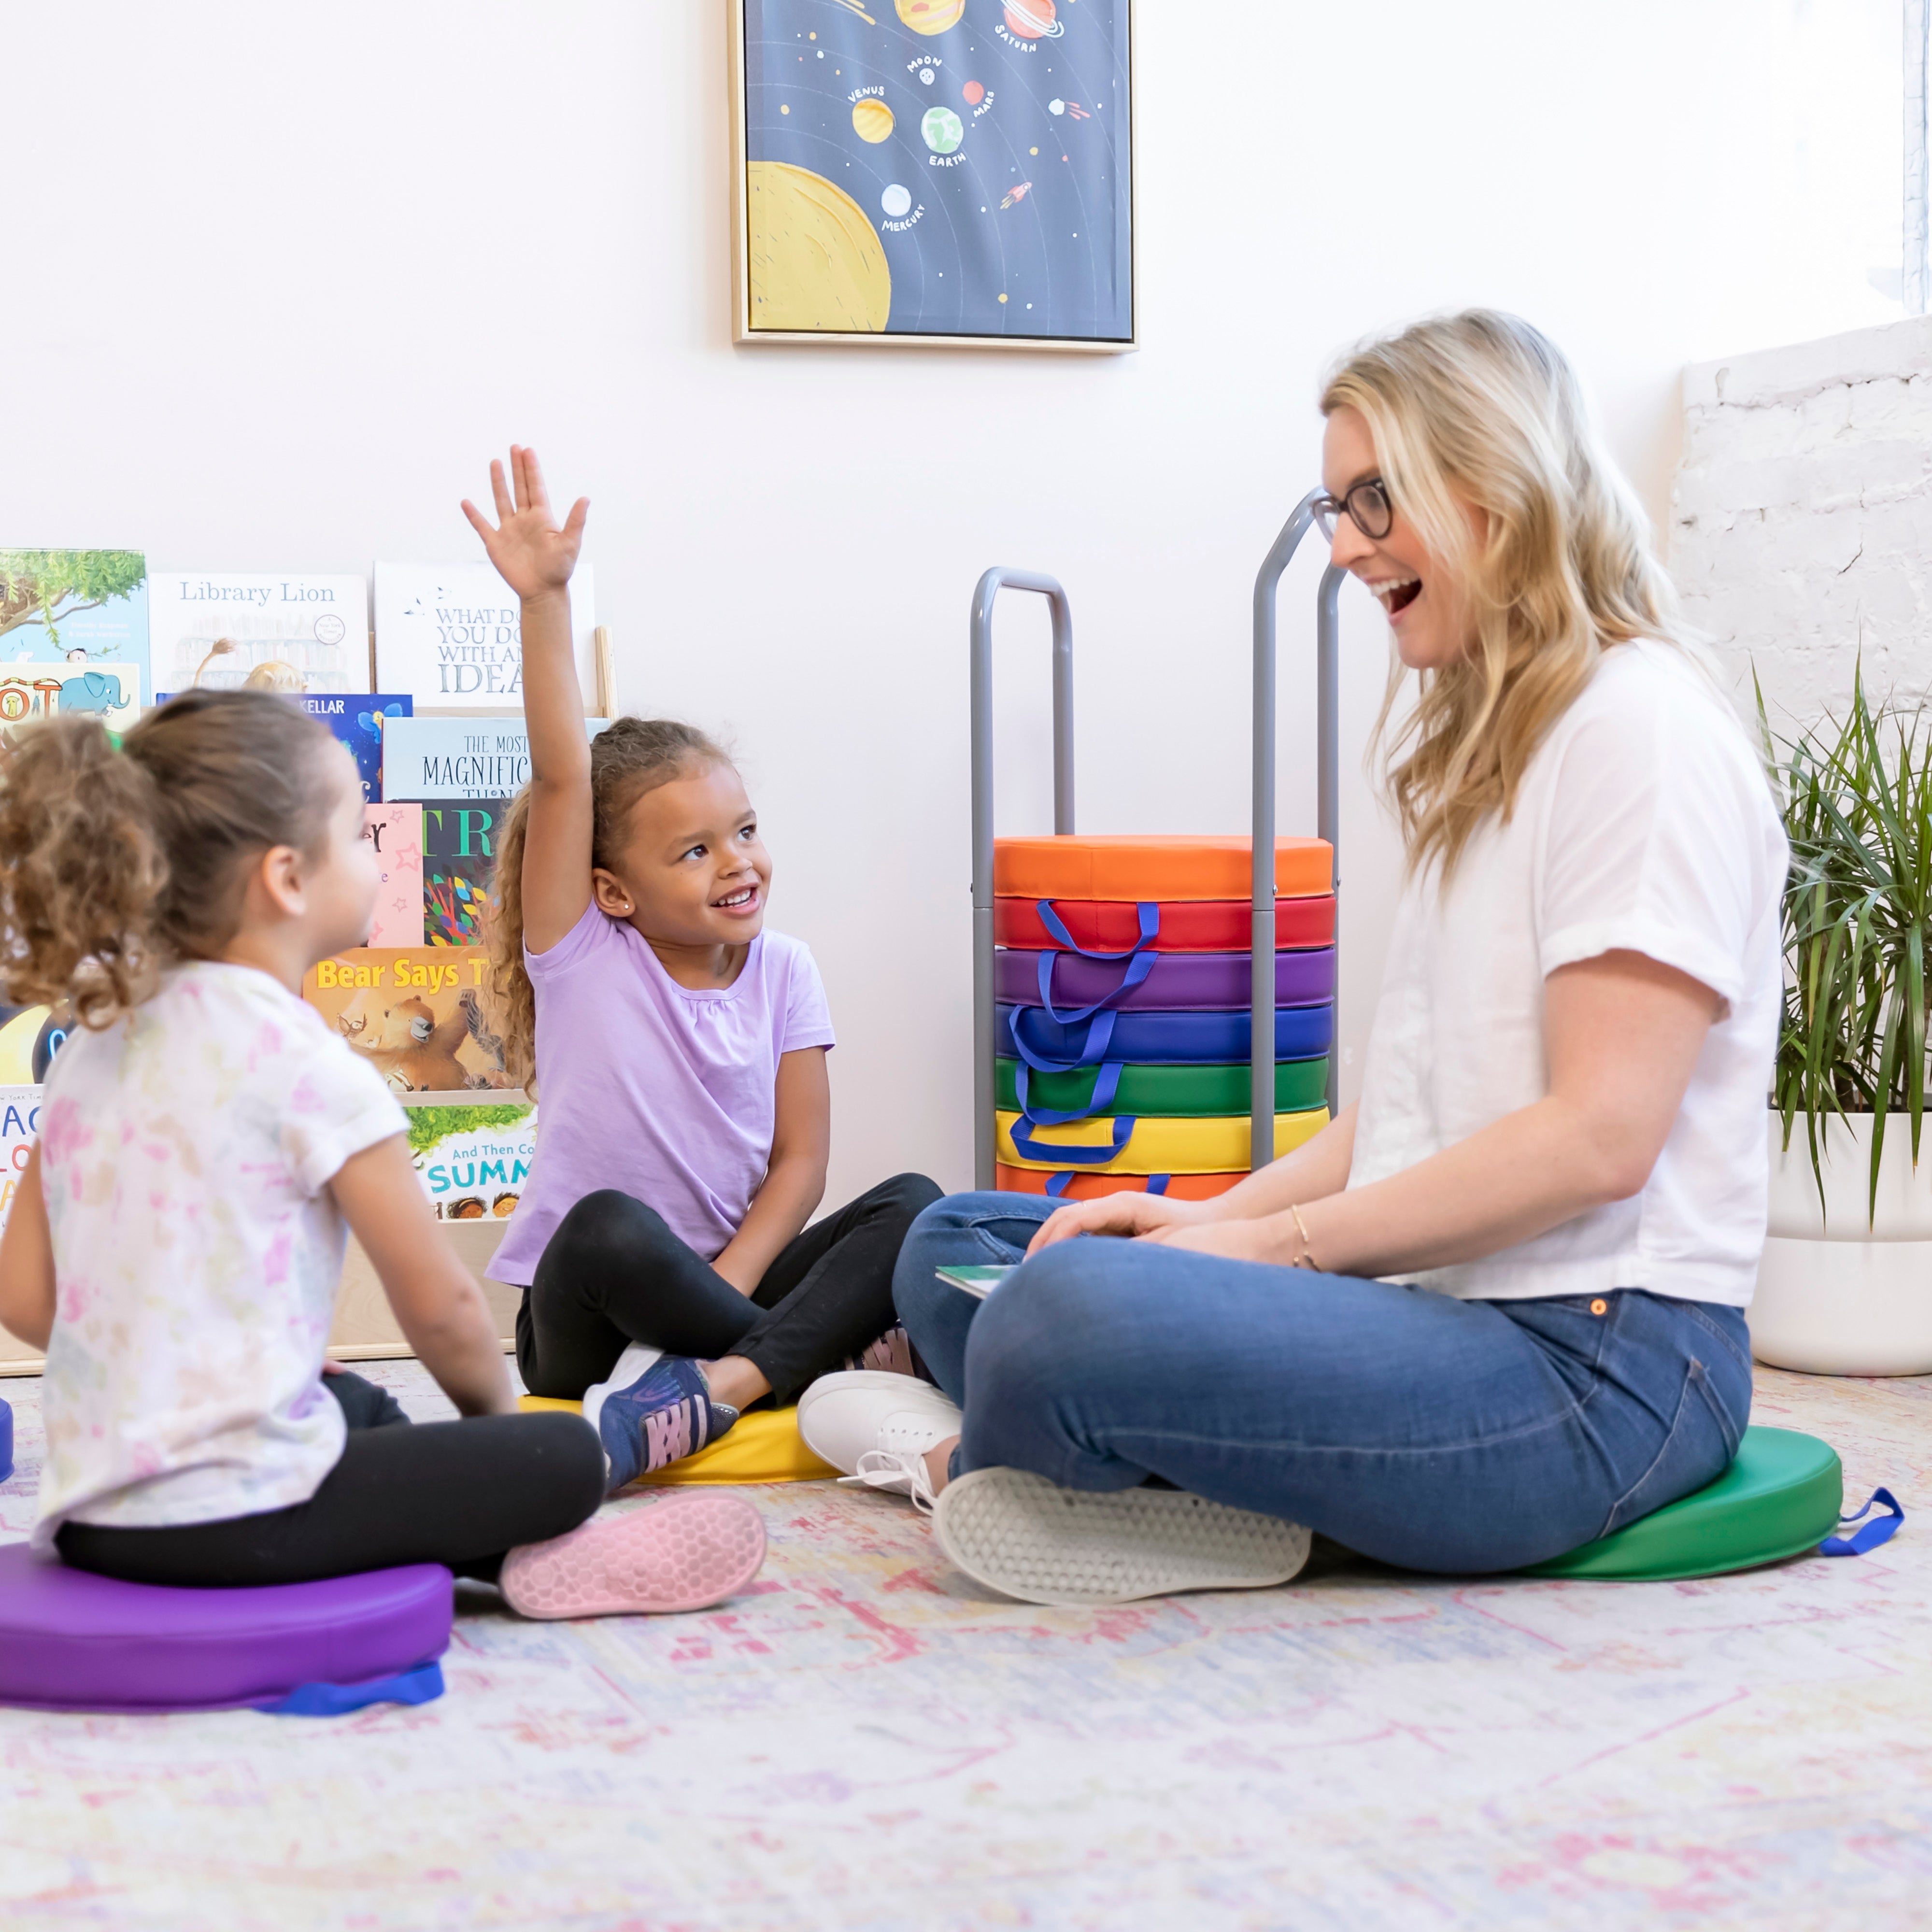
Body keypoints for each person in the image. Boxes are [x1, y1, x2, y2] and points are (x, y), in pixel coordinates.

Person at [801, 311, 1786, 1607]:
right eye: (1334, 506)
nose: (1345, 546)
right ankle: (1119, 1468)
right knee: (956, 1240)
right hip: (1450, 1309)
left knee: (1060, 1315)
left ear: (1495, 483)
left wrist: (1269, 1254)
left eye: (1377, 499)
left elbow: (1599, 1141)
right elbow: (1399, 1127)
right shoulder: (1495, 756)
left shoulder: (1637, 736)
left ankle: (975, 1454)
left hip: (1602, 1367)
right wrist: (1201, 1222)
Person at [0, 688, 765, 1618]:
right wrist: (502, 1448)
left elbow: (26, 1299)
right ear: (286, 878)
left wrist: (187, 1370)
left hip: (90, 1516)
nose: (375, 858)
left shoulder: (90, 1039)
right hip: (240, 1521)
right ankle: (537, 1551)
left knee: (353, 1402)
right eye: (361, 835)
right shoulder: (307, 1064)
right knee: (558, 1454)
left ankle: (493, 1544)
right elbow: (442, 1309)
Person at [466, 448, 940, 1488]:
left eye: (744, 831)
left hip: (728, 1288)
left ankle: (721, 1386)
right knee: (605, 1228)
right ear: (614, 890)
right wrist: (544, 600)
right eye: (694, 850)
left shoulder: (785, 969)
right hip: (589, 1316)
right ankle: (801, 1358)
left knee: (916, 1200)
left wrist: (728, 1283)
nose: (737, 863)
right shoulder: (585, 953)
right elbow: (558, 775)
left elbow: (799, 1166)